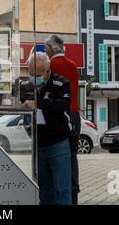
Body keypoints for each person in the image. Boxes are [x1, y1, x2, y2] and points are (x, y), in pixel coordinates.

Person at [23, 52, 73, 205]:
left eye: (37, 74)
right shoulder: (25, 86)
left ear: (47, 71)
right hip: (38, 145)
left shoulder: (61, 83)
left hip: (58, 144)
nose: (33, 77)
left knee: (62, 190)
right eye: (30, 73)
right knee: (44, 191)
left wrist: (38, 103)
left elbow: (61, 106)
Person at [45, 35, 81, 205]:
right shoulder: (73, 65)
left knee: (57, 156)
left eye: (45, 48)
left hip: (60, 115)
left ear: (51, 49)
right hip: (75, 114)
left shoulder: (50, 65)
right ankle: (74, 195)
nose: (45, 51)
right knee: (72, 156)